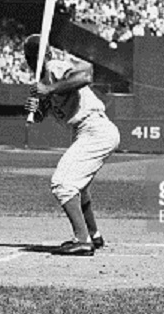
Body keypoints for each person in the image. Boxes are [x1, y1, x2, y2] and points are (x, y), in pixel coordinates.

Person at [24, 34, 120, 257]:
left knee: (63, 184)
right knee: (79, 187)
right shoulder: (42, 81)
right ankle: (94, 235)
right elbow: (41, 115)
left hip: (95, 128)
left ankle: (82, 240)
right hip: (86, 131)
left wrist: (49, 89)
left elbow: (86, 76)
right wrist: (35, 107)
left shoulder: (54, 68)